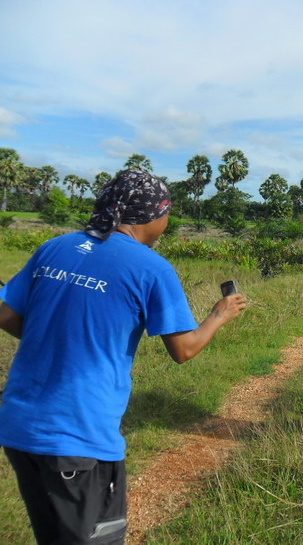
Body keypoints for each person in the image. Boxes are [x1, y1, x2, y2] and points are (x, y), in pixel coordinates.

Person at [0, 169, 247, 544]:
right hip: (78, 436)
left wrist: (51, 339)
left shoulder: (56, 246)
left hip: (18, 427)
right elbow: (184, 349)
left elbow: (5, 311)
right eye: (168, 213)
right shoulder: (151, 268)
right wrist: (219, 315)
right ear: (153, 216)